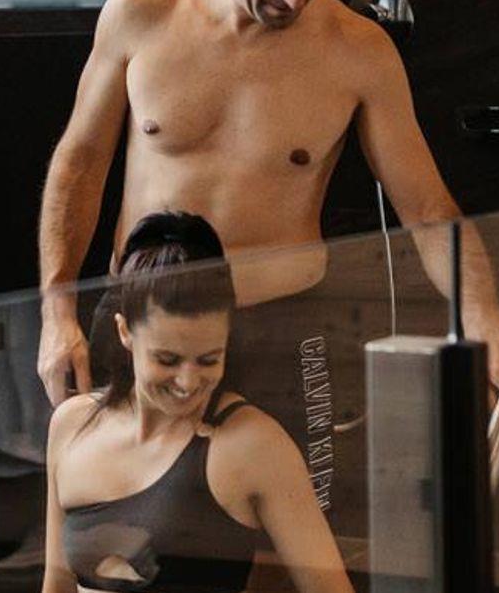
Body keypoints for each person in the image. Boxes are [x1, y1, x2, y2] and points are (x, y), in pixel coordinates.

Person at [36, 0, 499, 512]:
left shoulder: (359, 52)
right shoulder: (144, 10)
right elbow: (80, 162)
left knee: (292, 533)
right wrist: (57, 312)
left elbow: (428, 208)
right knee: (121, 525)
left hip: (284, 324)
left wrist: (485, 317)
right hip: (147, 319)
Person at [43, 211, 356, 593]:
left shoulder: (253, 443)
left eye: (209, 359)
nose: (188, 382)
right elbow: (56, 583)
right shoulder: (72, 425)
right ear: (125, 331)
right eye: (167, 359)